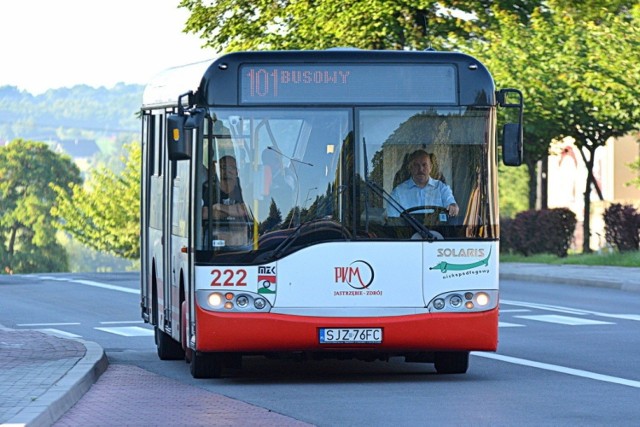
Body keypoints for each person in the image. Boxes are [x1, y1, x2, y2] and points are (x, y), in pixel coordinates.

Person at [387, 149, 459, 218]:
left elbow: (451, 205)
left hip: (438, 230)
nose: (421, 169)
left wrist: (453, 207)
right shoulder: (398, 193)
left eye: (424, 165)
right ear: (410, 168)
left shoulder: (442, 189)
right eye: (416, 165)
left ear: (430, 167)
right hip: (407, 230)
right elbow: (393, 221)